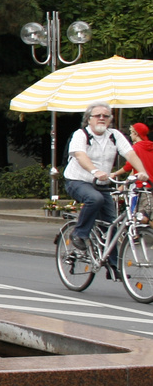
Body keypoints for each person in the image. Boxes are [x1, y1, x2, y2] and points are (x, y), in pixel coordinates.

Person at [64, 102, 148, 274]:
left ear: (110, 119)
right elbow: (80, 155)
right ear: (89, 119)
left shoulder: (114, 135)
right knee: (95, 199)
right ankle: (79, 234)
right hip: (78, 181)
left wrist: (142, 171)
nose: (102, 118)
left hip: (102, 184)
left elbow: (130, 153)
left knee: (111, 225)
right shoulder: (81, 135)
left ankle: (114, 266)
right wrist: (94, 171)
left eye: (106, 116)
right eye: (98, 115)